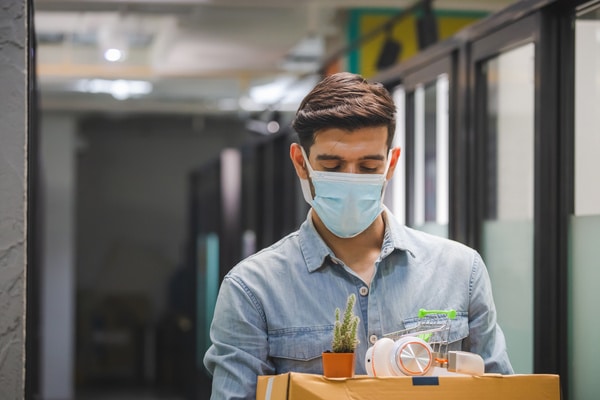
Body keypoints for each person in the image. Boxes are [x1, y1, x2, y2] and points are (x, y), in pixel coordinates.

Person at [203, 72, 513, 399]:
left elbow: (503, 391)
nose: (350, 179)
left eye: (367, 167)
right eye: (333, 166)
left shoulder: (459, 271)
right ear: (301, 162)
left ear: (391, 164)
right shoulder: (253, 289)